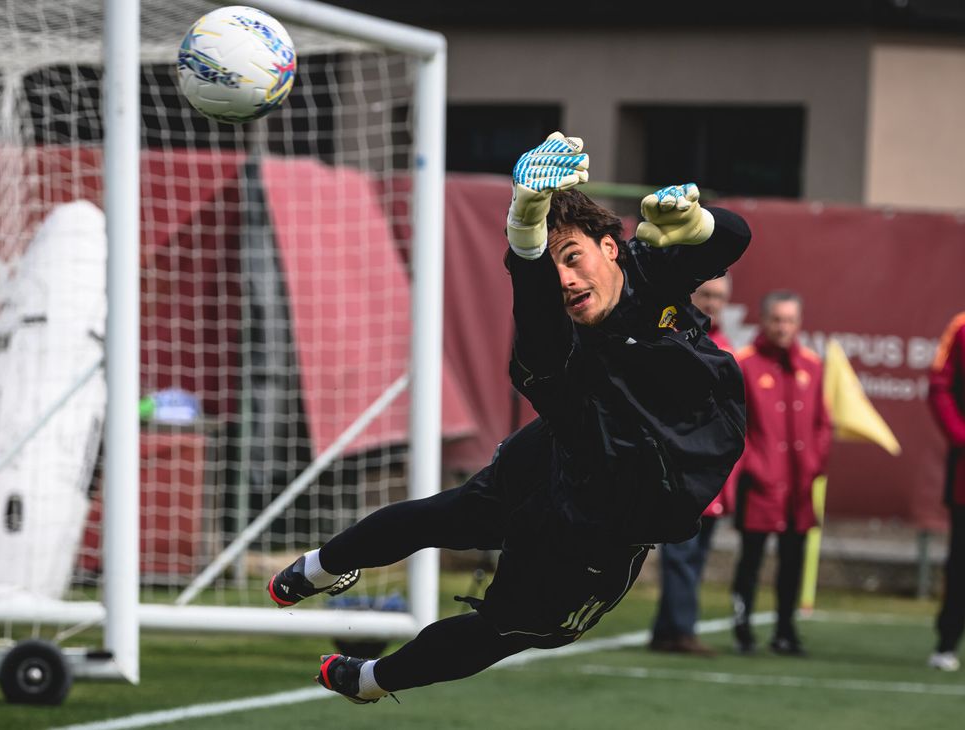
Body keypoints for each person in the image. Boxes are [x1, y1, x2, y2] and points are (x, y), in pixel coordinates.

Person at [268, 132, 751, 703]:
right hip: (576, 476)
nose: (566, 279)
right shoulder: (559, 342)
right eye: (552, 271)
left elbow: (735, 236)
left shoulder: (650, 269)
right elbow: (538, 324)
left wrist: (698, 224)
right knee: (464, 553)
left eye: (573, 258)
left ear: (610, 248)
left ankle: (365, 670)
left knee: (498, 607)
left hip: (615, 497)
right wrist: (524, 229)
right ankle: (324, 572)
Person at [730, 291, 831, 656]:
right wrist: (755, 466)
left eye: (789, 320)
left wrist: (815, 463)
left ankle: (786, 631)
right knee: (751, 559)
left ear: (799, 323)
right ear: (763, 320)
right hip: (759, 485)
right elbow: (736, 425)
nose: (783, 327)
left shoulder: (812, 365)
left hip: (799, 488)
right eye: (777, 319)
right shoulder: (745, 363)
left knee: (793, 562)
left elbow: (823, 422)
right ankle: (742, 629)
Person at [649, 275, 738, 655]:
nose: (713, 302)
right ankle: (681, 630)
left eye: (719, 296)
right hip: (683, 464)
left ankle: (667, 629)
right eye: (707, 294)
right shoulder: (674, 337)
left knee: (695, 555)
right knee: (682, 553)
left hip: (712, 468)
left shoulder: (727, 346)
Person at [927, 311, 965, 672]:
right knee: (961, 564)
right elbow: (939, 386)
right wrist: (961, 438)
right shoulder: (961, 327)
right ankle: (947, 642)